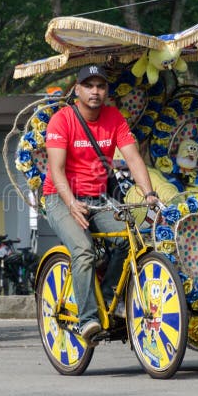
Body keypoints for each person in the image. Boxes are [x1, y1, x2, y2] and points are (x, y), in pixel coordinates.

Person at [44, 65, 158, 344]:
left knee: (132, 238)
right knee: (83, 251)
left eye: (101, 86)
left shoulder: (114, 117)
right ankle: (88, 320)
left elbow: (133, 158)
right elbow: (56, 170)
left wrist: (149, 195)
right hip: (61, 197)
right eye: (89, 86)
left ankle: (109, 301)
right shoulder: (61, 120)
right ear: (77, 90)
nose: (95, 91)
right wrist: (70, 203)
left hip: (97, 198)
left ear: (106, 91)